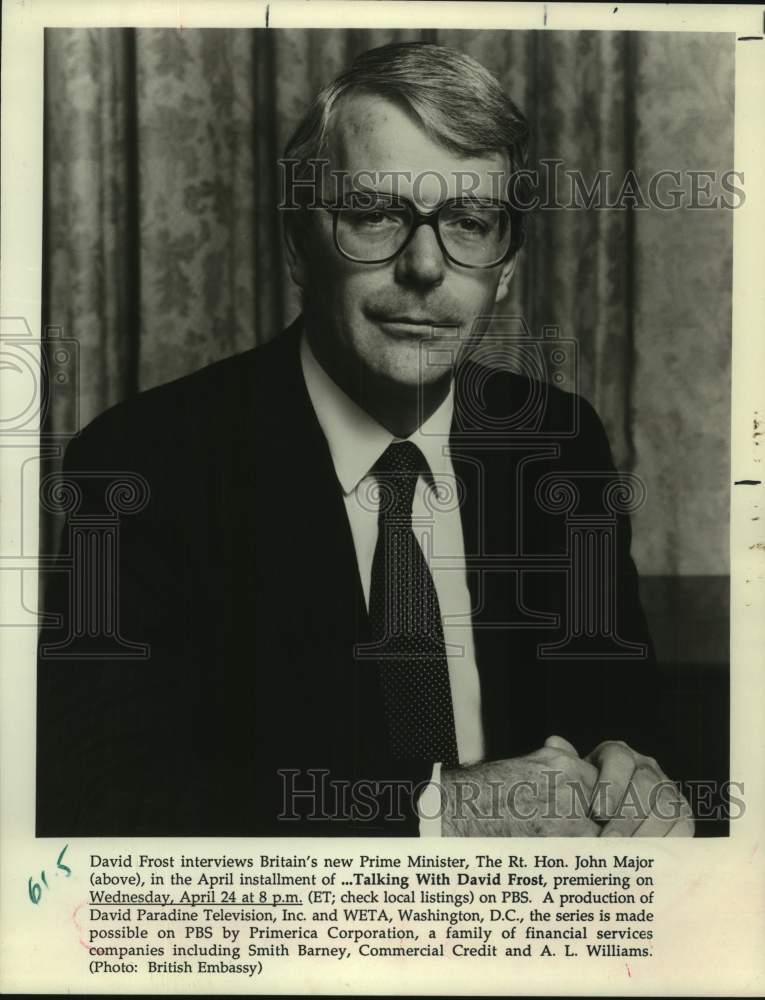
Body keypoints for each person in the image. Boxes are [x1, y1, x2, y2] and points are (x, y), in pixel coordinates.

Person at [37, 41, 692, 838]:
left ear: (506, 266)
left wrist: (634, 769)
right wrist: (435, 810)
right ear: (297, 242)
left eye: (467, 222)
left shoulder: (558, 443)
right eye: (375, 213)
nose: (424, 265)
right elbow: (97, 800)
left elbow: (621, 718)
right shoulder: (143, 464)